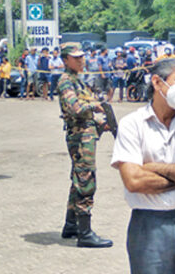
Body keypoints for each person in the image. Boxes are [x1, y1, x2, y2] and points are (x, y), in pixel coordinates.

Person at [111, 59, 175, 273]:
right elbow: (134, 181)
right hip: (149, 226)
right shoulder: (132, 124)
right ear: (157, 83)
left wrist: (154, 168)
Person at [56, 42, 115, 248]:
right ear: (65, 60)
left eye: (82, 56)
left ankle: (71, 225)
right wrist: (95, 105)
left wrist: (102, 122)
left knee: (78, 179)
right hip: (80, 138)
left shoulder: (77, 81)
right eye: (76, 57)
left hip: (86, 134)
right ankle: (85, 233)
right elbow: (75, 109)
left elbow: (85, 113)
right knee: (86, 179)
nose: (81, 60)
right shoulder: (66, 81)